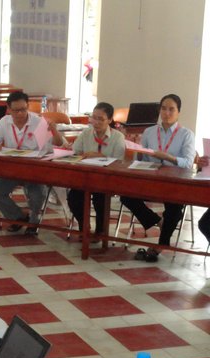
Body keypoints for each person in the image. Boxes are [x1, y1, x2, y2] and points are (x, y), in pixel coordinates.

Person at [120, 93, 195, 262]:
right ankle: (157, 221)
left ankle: (161, 244)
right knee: (126, 195)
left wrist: (168, 157)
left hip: (174, 182)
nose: (166, 113)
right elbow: (141, 158)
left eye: (171, 109)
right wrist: (137, 151)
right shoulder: (149, 131)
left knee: (174, 208)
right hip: (151, 179)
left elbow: (188, 163)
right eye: (163, 109)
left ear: (178, 112)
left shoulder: (186, 134)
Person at [0, 91, 64, 235]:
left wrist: (54, 130)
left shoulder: (38, 122)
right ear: (9, 109)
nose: (20, 114)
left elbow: (58, 143)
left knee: (37, 195)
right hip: (12, 169)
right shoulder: (5, 122)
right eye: (16, 110)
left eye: (23, 109)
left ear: (28, 106)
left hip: (34, 169)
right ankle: (18, 217)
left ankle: (33, 221)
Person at [67, 102, 125, 240]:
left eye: (101, 119)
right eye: (94, 118)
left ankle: (100, 231)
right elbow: (75, 152)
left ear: (109, 120)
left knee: (101, 198)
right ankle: (84, 226)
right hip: (86, 177)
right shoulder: (86, 133)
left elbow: (119, 161)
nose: (96, 122)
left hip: (107, 178)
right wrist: (81, 156)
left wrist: (100, 156)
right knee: (74, 198)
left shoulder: (117, 137)